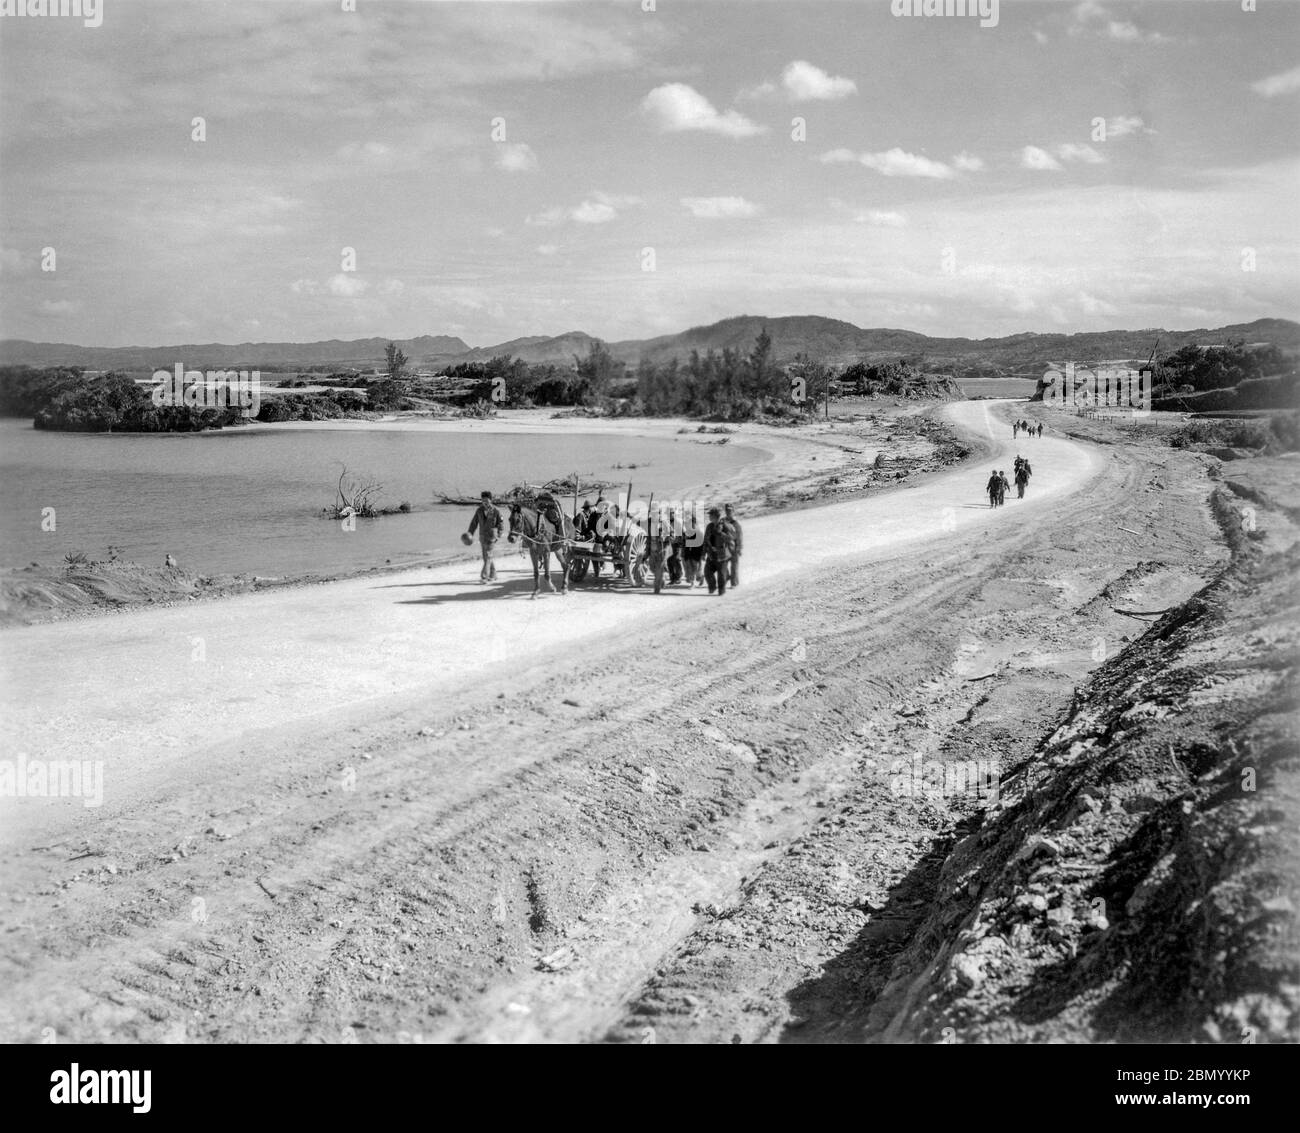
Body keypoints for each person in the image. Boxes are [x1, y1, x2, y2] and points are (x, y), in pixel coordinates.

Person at [466, 490, 504, 582]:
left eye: (487, 501)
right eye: (483, 501)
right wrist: (470, 533)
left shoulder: (496, 511)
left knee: (488, 555)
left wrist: (499, 535)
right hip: (482, 537)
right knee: (486, 557)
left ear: (491, 500)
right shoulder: (479, 510)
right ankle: (493, 574)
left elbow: (501, 524)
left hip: (492, 537)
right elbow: (474, 523)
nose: (485, 503)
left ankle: (484, 576)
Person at [703, 506, 734, 595]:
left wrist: (720, 533)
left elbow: (730, 538)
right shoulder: (709, 526)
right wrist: (703, 553)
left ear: (716, 516)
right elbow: (705, 540)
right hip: (711, 554)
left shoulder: (725, 525)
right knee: (707, 572)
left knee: (721, 575)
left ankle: (721, 590)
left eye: (711, 515)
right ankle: (712, 587)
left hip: (722, 555)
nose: (709, 517)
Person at [723, 503, 743, 588]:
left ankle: (734, 583)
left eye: (730, 510)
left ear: (733, 511)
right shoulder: (722, 521)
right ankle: (727, 577)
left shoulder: (736, 523)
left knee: (734, 566)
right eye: (727, 510)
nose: (728, 512)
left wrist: (739, 548)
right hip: (725, 547)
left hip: (734, 547)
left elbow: (739, 536)